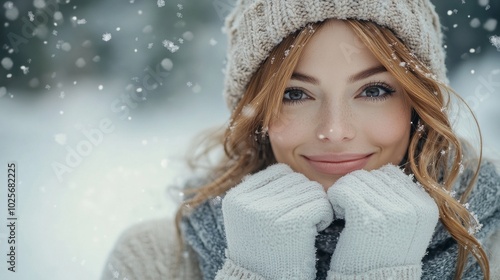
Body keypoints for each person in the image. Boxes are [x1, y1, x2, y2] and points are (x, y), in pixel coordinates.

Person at [100, 0, 500, 279]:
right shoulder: (155, 262)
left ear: (418, 103)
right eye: (295, 94)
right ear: (256, 111)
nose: (334, 130)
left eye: (374, 90)